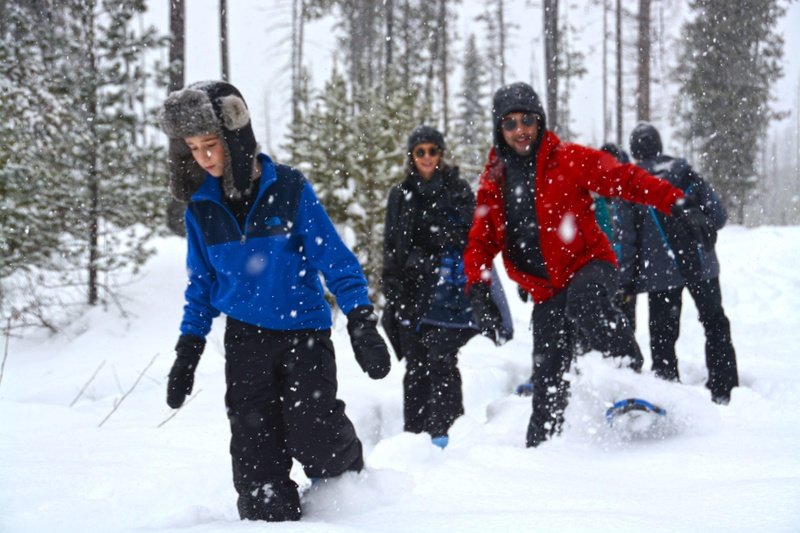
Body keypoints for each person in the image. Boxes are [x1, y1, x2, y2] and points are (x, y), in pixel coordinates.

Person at [158, 81, 391, 522]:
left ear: (234, 137)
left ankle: (352, 487)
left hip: (303, 332)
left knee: (314, 435)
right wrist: (187, 350)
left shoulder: (287, 188)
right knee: (256, 465)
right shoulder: (201, 209)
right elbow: (201, 285)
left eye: (211, 144)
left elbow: (334, 258)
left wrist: (361, 319)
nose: (204, 157)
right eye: (192, 148)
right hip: (245, 342)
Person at [463, 82, 715, 448]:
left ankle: (629, 377)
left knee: (585, 301)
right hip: (546, 290)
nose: (521, 130)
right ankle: (542, 449)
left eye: (528, 120)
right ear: (499, 131)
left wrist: (679, 204)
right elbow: (481, 240)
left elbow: (626, 178)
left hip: (589, 265)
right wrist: (478, 286)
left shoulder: (567, 159)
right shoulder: (493, 183)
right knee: (548, 373)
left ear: (540, 121)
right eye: (510, 123)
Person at [381, 125, 512, 448]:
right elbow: (391, 245)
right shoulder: (401, 194)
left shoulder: (457, 189)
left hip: (448, 292)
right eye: (420, 151)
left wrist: (435, 241)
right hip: (412, 290)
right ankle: (414, 438)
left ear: (441, 154)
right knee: (415, 365)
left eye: (432, 150)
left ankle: (448, 434)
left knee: (441, 360)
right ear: (412, 157)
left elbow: (474, 233)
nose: (427, 157)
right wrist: (394, 288)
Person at [616, 122, 738, 404]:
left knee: (662, 333)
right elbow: (718, 216)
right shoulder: (688, 174)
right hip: (701, 263)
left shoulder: (633, 183)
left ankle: (667, 390)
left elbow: (627, 239)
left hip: (660, 272)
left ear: (634, 150)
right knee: (715, 322)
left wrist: (625, 280)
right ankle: (725, 389)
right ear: (659, 145)